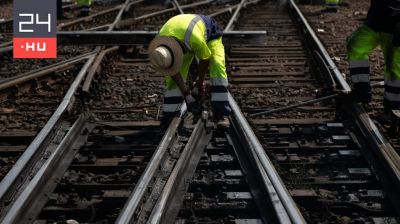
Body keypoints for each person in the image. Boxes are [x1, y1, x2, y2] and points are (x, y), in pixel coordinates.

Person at [148, 14, 231, 128]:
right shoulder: (160, 46)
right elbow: (172, 71)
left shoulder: (195, 39)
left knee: (217, 68)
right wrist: (187, 94)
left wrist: (200, 82)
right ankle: (169, 117)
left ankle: (222, 115)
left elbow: (204, 58)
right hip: (180, 39)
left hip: (210, 34)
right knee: (171, 82)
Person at [347, 0, 400, 123]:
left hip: (395, 25)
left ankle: (392, 108)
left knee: (394, 67)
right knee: (355, 45)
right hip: (375, 21)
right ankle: (362, 90)